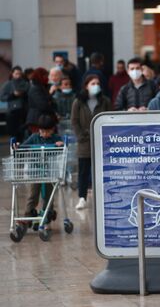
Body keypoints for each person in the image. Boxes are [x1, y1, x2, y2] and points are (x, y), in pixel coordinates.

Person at [71, 74, 112, 210]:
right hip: (85, 143)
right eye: (93, 83)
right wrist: (81, 135)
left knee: (102, 171)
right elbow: (74, 121)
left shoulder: (105, 101)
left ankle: (104, 196)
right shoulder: (78, 101)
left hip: (102, 142)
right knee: (83, 172)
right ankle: (82, 197)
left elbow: (110, 118)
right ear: (86, 86)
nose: (96, 86)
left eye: (98, 83)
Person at [22, 114, 64, 225]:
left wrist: (60, 145)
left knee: (48, 196)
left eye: (48, 131)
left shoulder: (55, 138)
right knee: (33, 194)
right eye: (42, 131)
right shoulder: (34, 137)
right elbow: (23, 146)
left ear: (52, 130)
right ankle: (28, 215)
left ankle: (47, 214)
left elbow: (62, 148)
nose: (45, 134)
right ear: (39, 130)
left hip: (50, 172)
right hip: (35, 171)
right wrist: (18, 146)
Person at [1, 66, 29, 142]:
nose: (18, 75)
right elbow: (2, 97)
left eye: (20, 74)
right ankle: (13, 150)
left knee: (23, 133)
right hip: (12, 112)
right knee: (13, 134)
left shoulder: (25, 83)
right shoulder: (8, 84)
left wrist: (23, 94)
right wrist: (13, 95)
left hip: (24, 112)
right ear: (12, 74)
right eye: (16, 74)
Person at [26, 67, 54, 135]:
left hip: (42, 119)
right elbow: (43, 105)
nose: (47, 78)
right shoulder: (35, 88)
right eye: (45, 76)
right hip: (36, 120)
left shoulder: (41, 86)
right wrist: (50, 95)